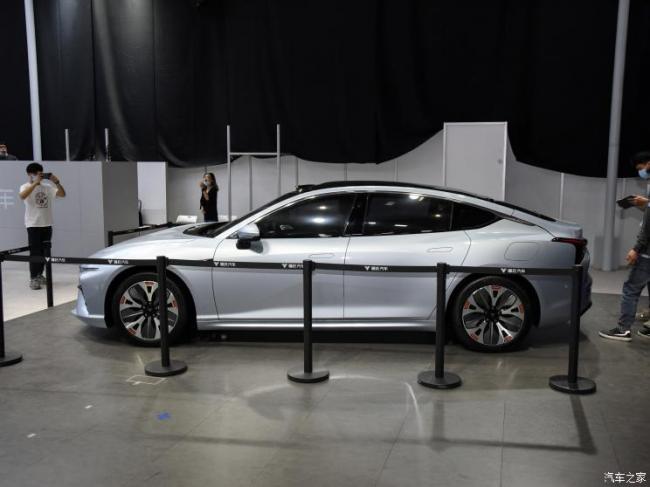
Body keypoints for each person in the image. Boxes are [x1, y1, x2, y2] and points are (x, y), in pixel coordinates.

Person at [600, 152, 650, 341]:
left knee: (631, 288)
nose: (641, 172)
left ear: (648, 163)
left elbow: (649, 225)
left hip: (648, 251)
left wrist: (637, 248)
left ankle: (623, 329)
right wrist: (646, 204)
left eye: (641, 168)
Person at [18, 163, 66, 290]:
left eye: (41, 173)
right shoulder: (25, 186)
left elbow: (62, 194)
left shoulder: (47, 187)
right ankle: (33, 278)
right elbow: (22, 196)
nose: (39, 176)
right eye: (36, 174)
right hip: (33, 224)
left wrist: (56, 182)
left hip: (47, 224)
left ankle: (40, 274)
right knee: (35, 252)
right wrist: (35, 183)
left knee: (45, 252)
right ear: (29, 174)